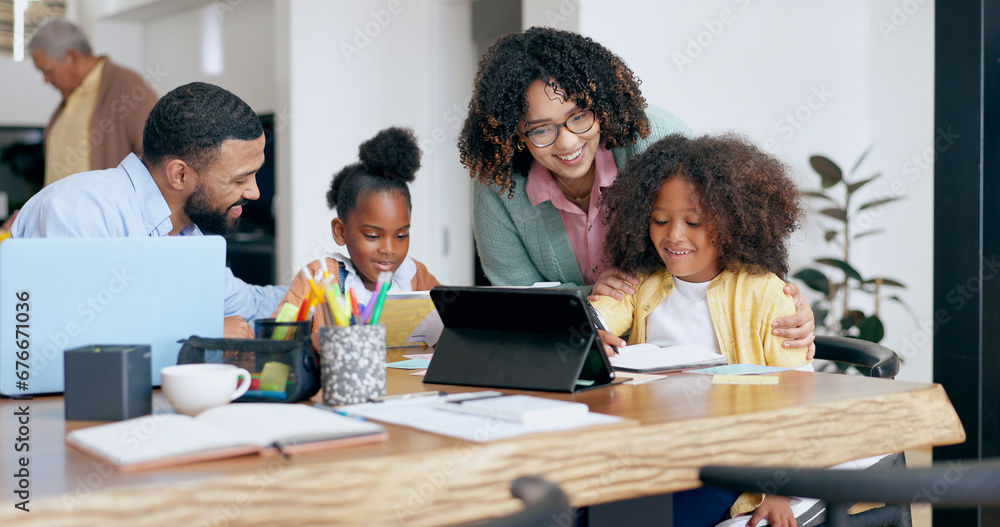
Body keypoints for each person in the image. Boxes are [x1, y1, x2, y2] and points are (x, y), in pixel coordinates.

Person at [457, 26, 816, 354]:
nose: (567, 142)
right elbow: (517, 301)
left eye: (579, 116)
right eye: (540, 129)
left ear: (603, 105)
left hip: (660, 350)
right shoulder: (499, 182)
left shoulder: (654, 137)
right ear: (514, 134)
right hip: (566, 350)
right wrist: (587, 310)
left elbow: (719, 225)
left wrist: (780, 302)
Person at [590, 133, 812, 527]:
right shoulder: (640, 283)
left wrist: (778, 490)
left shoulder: (766, 294)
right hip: (649, 456)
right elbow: (593, 320)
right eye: (660, 219)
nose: (673, 235)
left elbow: (795, 400)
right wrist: (589, 336)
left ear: (735, 223)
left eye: (694, 222)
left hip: (726, 463)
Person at [11, 82, 287, 339]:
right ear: (179, 175)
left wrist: (319, 284)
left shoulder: (189, 235)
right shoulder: (80, 208)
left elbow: (250, 307)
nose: (254, 192)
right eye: (239, 179)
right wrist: (202, 330)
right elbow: (65, 333)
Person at [272, 127, 441, 347]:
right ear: (341, 232)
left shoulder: (415, 276)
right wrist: (315, 341)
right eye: (373, 235)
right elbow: (273, 344)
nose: (389, 249)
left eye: (401, 235)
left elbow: (453, 325)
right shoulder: (320, 277)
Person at [28, 18, 158, 186]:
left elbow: (157, 156)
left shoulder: (128, 87)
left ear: (73, 57)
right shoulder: (69, 98)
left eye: (49, 71)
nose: (46, 80)